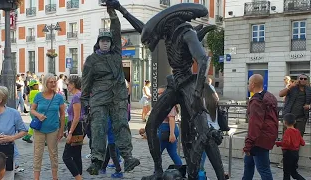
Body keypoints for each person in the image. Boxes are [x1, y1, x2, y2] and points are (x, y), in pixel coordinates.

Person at [108, 1, 224, 179]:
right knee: (151, 125)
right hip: (175, 84)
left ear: (171, 22)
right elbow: (144, 29)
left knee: (204, 134)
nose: (159, 30)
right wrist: (122, 10)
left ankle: (220, 176)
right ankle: (158, 170)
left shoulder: (186, 33)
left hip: (189, 85)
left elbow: (202, 60)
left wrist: (197, 92)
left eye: (163, 25)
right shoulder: (168, 34)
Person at [81, 6, 139, 175]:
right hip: (99, 98)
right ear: (98, 43)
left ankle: (128, 157)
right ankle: (96, 160)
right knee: (98, 129)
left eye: (107, 40)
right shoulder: (91, 60)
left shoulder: (116, 54)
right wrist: (85, 102)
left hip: (118, 97)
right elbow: (86, 82)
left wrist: (112, 13)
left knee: (122, 126)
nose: (105, 42)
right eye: (102, 40)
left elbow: (116, 30)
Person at [243, 74, 279, 180]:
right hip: (267, 136)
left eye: (249, 83)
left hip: (259, 139)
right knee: (248, 163)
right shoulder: (270, 96)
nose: (248, 85)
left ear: (253, 84)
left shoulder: (256, 102)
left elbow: (255, 124)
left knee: (263, 169)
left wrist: (248, 144)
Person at [30, 74, 65, 180]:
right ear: (45, 83)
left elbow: (62, 114)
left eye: (55, 82)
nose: (53, 84)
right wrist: (38, 115)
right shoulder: (38, 96)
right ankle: (36, 178)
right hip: (39, 130)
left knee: (53, 154)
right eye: (51, 82)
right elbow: (32, 109)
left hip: (53, 129)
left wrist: (61, 131)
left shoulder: (59, 97)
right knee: (37, 153)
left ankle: (55, 177)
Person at [0, 86, 28, 180]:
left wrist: (11, 138)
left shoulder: (13, 113)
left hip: (7, 152)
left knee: (7, 177)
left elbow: (24, 130)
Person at [62, 76, 84, 180]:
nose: (67, 87)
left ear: (73, 84)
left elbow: (76, 116)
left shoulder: (76, 97)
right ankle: (79, 176)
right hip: (80, 126)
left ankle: (78, 177)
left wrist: (70, 132)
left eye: (68, 84)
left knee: (66, 156)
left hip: (76, 127)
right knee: (76, 155)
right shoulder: (81, 95)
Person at [275, 113, 306, 180]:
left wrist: (277, 143)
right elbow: (303, 143)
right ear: (294, 122)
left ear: (285, 122)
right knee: (294, 173)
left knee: (286, 173)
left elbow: (286, 143)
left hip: (288, 154)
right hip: (296, 154)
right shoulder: (297, 131)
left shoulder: (287, 131)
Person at [157, 87, 182, 166]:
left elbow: (171, 119)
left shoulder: (168, 104)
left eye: (161, 93)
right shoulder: (164, 103)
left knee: (157, 153)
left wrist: (172, 134)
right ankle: (180, 169)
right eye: (158, 93)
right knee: (172, 152)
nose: (159, 95)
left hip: (167, 129)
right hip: (168, 129)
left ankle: (157, 172)